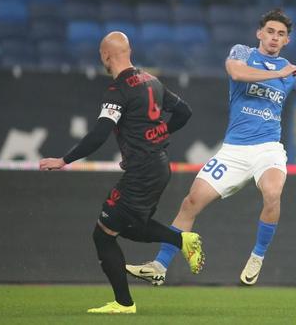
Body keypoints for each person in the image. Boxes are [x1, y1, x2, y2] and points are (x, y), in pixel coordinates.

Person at [126, 9, 296, 286]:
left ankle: (257, 256)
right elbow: (236, 72)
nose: (274, 38)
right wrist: (278, 72)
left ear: (287, 40)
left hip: (268, 149)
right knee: (190, 203)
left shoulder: (292, 73)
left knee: (272, 192)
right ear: (259, 33)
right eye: (270, 31)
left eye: (281, 34)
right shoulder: (243, 53)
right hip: (233, 151)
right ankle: (159, 265)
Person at [39, 32, 205, 314]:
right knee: (129, 226)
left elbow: (100, 134)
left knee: (103, 235)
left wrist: (64, 159)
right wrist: (159, 133)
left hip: (142, 170)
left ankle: (124, 303)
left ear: (105, 55)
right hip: (159, 165)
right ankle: (182, 240)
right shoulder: (152, 82)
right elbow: (185, 112)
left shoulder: (118, 92)